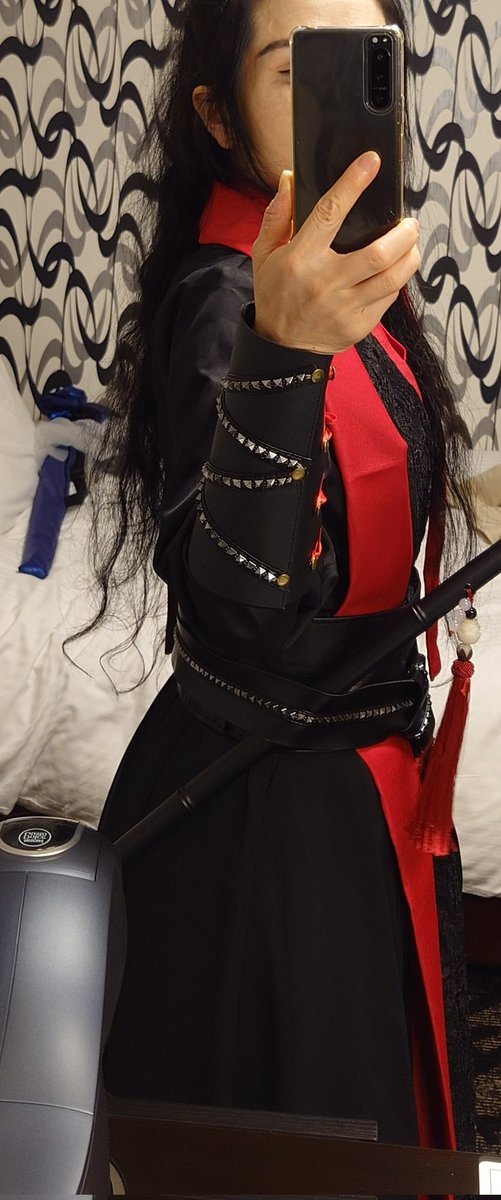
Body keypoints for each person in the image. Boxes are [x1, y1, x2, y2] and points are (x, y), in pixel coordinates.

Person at [95, 0, 476, 1157]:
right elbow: (239, 612)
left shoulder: (348, 273)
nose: (331, 107)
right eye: (290, 71)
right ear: (219, 116)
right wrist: (284, 353)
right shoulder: (230, 299)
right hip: (268, 815)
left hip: (359, 787)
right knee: (304, 1140)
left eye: (360, 62)